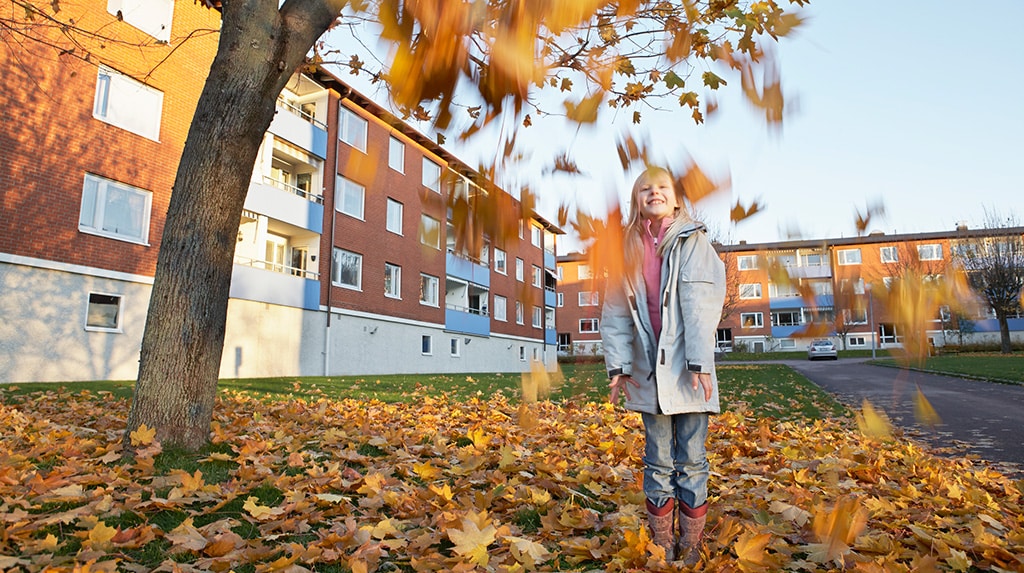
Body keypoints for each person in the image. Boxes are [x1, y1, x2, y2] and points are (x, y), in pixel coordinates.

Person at [600, 166, 726, 563]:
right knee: (657, 459)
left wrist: (700, 363)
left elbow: (701, 304)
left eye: (662, 188)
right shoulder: (628, 247)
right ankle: (663, 541)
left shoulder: (693, 242)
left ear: (676, 198)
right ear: (636, 200)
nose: (653, 193)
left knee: (691, 458)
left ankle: (691, 542)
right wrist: (619, 367)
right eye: (644, 189)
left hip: (689, 369)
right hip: (649, 371)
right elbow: (616, 310)